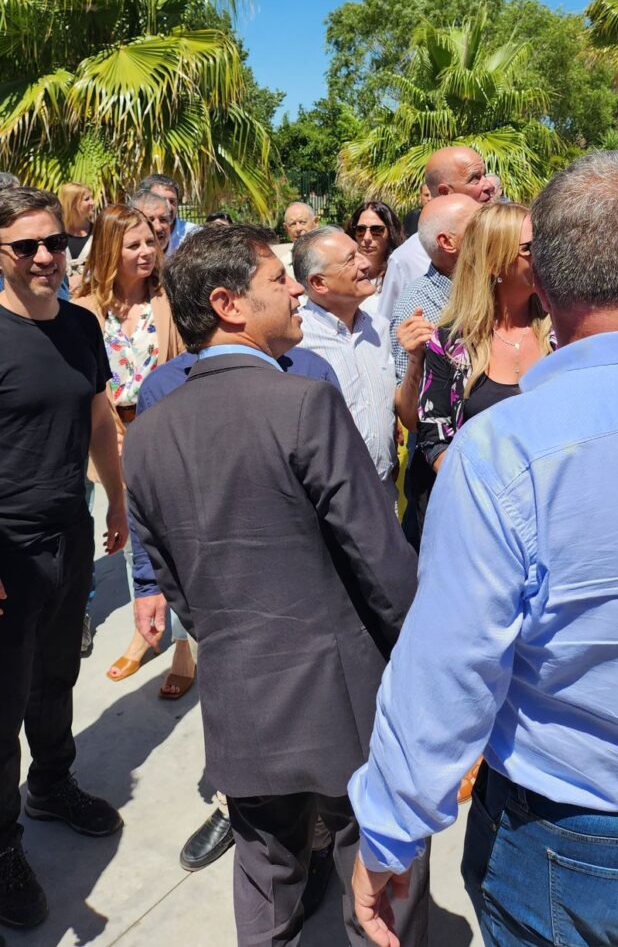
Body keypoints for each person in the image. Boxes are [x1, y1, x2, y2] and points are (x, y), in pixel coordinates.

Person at [350, 152, 618, 947]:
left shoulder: (507, 452)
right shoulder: (494, 430)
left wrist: (389, 831)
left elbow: (448, 672)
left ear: (542, 282)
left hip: (571, 840)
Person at [123, 224, 428, 947]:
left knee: (265, 881)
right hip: (345, 695)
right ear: (227, 304)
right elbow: (380, 560)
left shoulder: (149, 432)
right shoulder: (303, 404)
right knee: (382, 880)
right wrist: (425, 661)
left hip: (240, 696)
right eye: (277, 280)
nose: (296, 289)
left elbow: (176, 581)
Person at [127, 336, 340, 902]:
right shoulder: (163, 388)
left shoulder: (310, 371)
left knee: (315, 720)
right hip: (216, 593)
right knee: (238, 716)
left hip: (304, 589)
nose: (294, 293)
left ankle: (318, 836)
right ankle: (237, 807)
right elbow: (144, 500)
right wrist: (148, 585)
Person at [0, 187, 126, 932]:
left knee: (55, 677)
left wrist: (117, 500)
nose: (46, 256)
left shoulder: (80, 325)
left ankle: (51, 783)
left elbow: (98, 416)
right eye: (26, 246)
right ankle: (2, 845)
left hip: (69, 532)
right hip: (8, 547)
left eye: (57, 242)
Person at [73, 205, 186, 690]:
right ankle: (146, 629)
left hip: (168, 428)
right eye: (133, 244)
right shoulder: (84, 307)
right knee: (131, 534)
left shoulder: (170, 298)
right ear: (108, 251)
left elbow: (186, 364)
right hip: (111, 429)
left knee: (179, 533)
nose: (146, 252)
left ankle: (186, 648)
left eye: (150, 242)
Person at [418, 201, 553, 474]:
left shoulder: (562, 331)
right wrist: (487, 489)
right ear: (494, 263)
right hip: (483, 493)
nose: (544, 256)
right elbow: (435, 439)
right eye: (530, 248)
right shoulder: (450, 343)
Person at [389, 195, 481, 548]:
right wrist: (416, 361)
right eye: (479, 222)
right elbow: (411, 418)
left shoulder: (502, 285)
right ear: (448, 242)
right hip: (447, 477)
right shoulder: (418, 307)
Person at [292, 227, 400, 504]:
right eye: (351, 259)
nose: (365, 264)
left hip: (384, 495)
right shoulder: (297, 340)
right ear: (319, 283)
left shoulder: (380, 328)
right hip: (329, 504)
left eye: (360, 254)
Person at [378, 145, 496, 320]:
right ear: (444, 192)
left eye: (484, 175)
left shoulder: (510, 238)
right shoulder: (406, 260)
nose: (489, 185)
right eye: (475, 179)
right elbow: (388, 325)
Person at [346, 200, 403, 315]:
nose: (367, 238)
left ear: (391, 232)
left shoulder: (400, 275)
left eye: (376, 230)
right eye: (360, 230)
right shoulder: (343, 274)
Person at [135, 173, 197, 253]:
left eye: (172, 201)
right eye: (161, 199)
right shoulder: (131, 235)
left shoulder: (194, 235)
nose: (168, 207)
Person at [58, 183, 95, 293]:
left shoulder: (99, 232)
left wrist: (83, 278)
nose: (93, 202)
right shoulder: (55, 234)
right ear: (72, 204)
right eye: (87, 199)